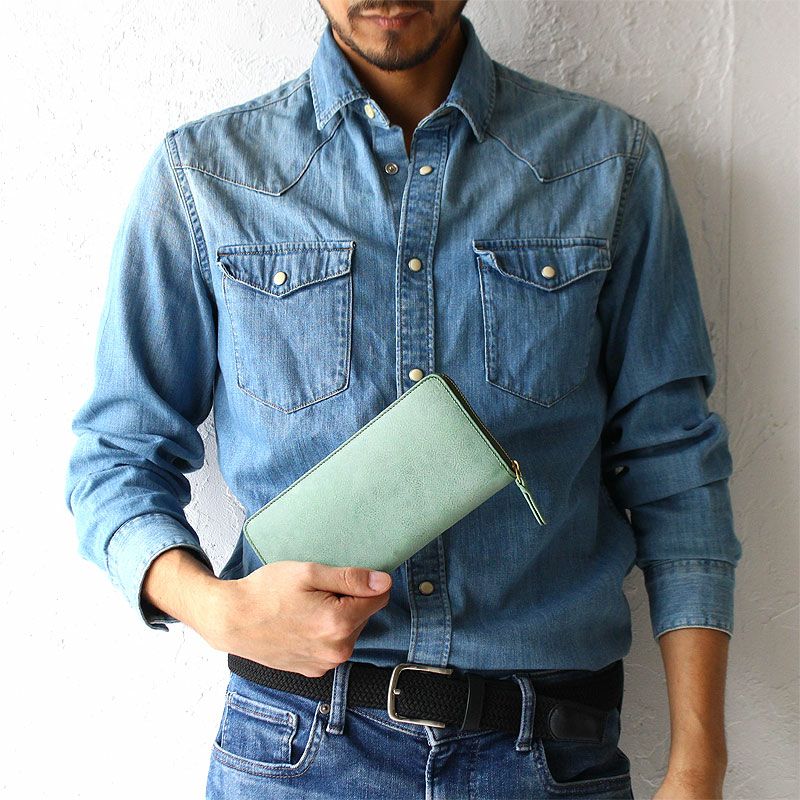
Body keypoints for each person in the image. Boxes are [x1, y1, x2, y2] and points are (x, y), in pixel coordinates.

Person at [64, 2, 743, 798]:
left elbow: (673, 465)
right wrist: (214, 608)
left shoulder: (609, 164)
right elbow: (116, 458)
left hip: (549, 758)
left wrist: (699, 764)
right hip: (295, 754)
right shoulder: (206, 175)